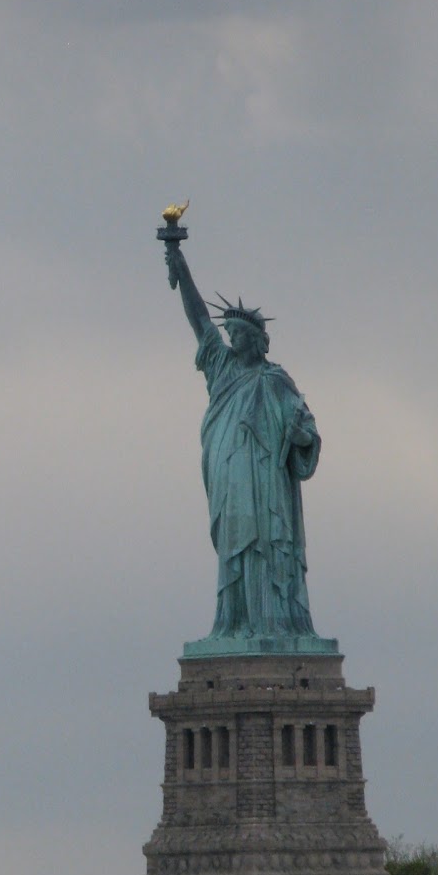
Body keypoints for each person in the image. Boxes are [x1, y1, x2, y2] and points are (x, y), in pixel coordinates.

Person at [164, 238, 321, 641]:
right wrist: (179, 265)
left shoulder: (276, 381)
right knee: (236, 544)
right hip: (231, 475)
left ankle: (273, 623)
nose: (231, 338)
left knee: (266, 545)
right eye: (229, 332)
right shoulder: (221, 367)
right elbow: (199, 319)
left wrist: (301, 436)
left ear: (255, 339)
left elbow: (304, 432)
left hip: (266, 480)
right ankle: (234, 622)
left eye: (237, 333)